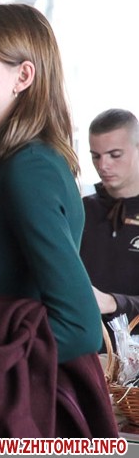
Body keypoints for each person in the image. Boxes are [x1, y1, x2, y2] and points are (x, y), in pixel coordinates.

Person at [0, 3, 102, 364]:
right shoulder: (19, 163)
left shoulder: (28, 168)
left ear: (23, 76)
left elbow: (80, 328)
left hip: (23, 394)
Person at [80, 108, 139, 327]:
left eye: (115, 155)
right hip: (83, 343)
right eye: (95, 156)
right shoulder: (80, 210)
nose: (103, 166)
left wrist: (113, 302)